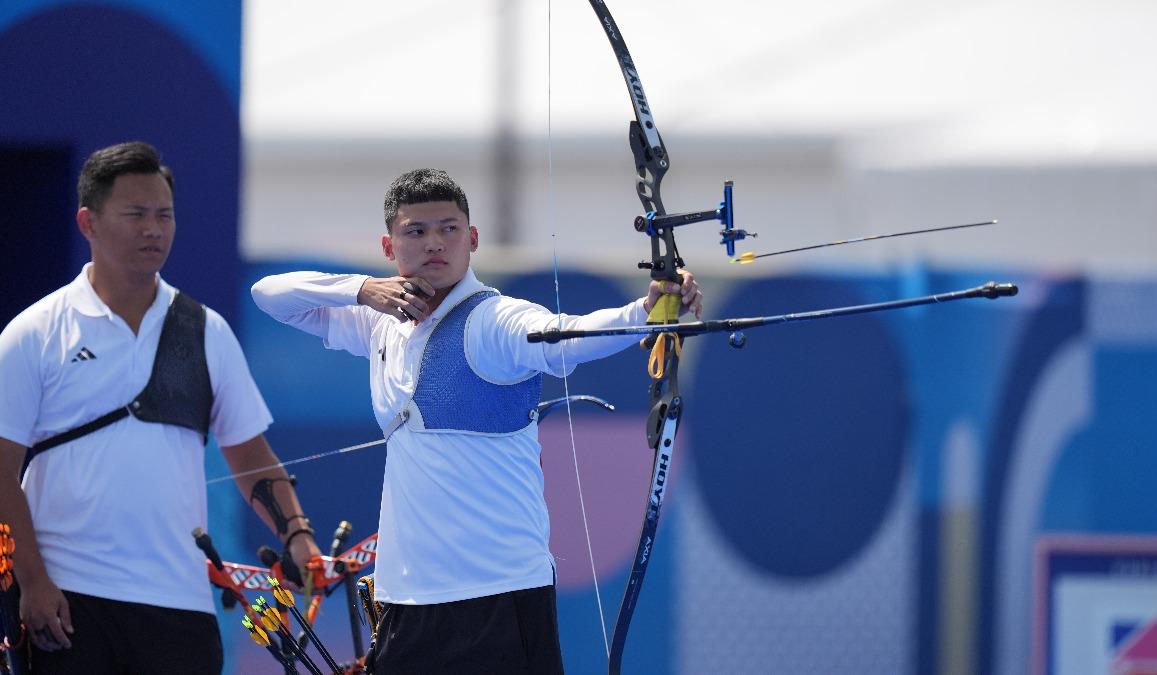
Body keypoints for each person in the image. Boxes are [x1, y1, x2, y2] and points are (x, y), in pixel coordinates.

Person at [251, 168, 702, 673]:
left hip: (499, 594)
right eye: (415, 231)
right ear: (388, 244)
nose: (434, 243)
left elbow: (563, 335)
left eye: (448, 229)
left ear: (473, 239)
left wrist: (645, 311)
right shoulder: (379, 321)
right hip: (408, 597)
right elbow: (270, 295)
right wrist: (361, 289)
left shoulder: (493, 320)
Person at [0, 141, 322, 674]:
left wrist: (297, 534)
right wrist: (32, 582)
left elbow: (248, 453)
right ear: (89, 222)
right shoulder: (35, 332)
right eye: (135, 214)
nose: (153, 229)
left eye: (164, 215)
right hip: (67, 600)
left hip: (180, 604)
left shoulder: (206, 332)